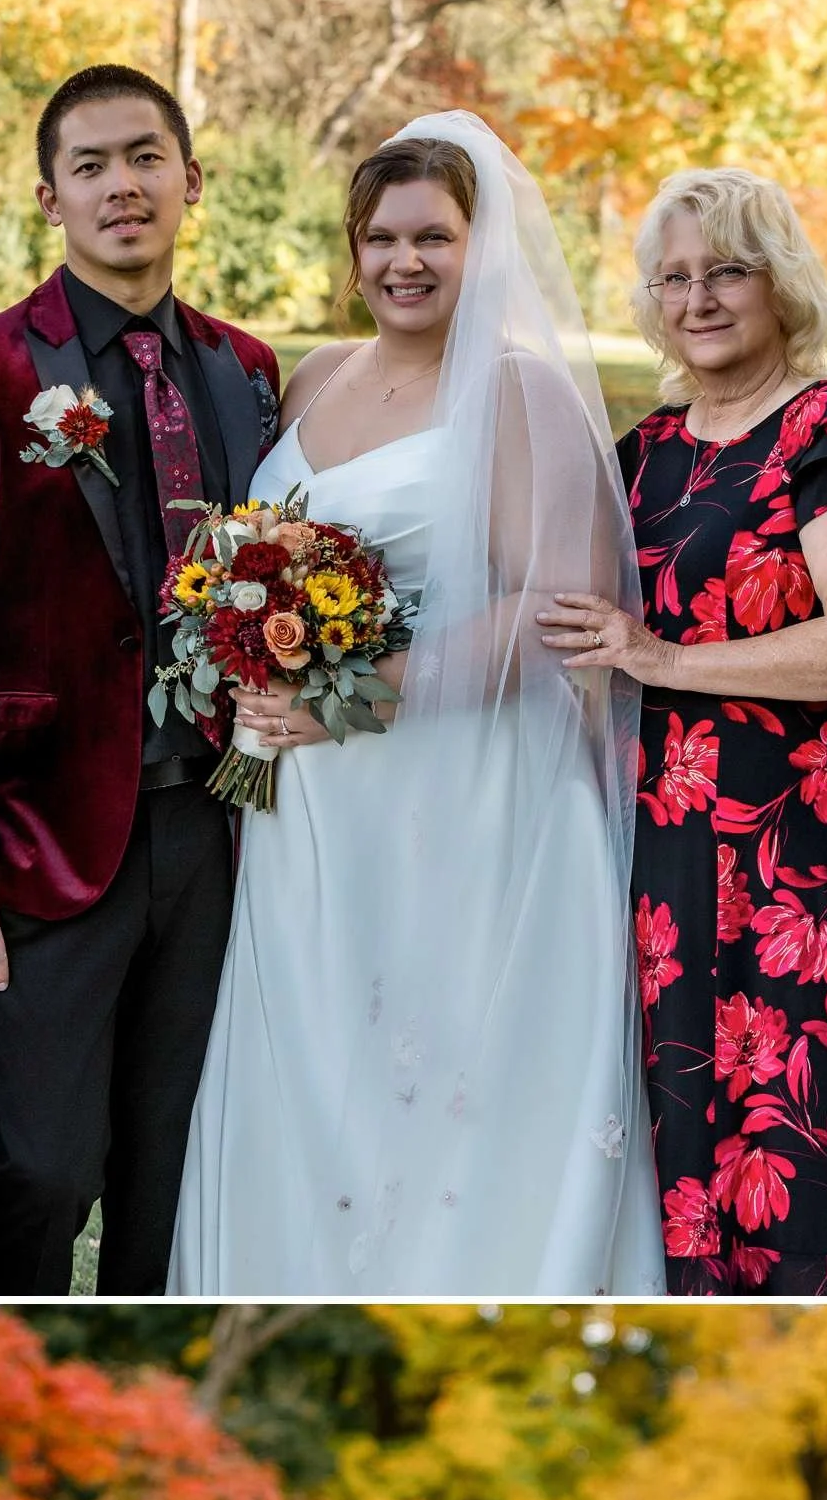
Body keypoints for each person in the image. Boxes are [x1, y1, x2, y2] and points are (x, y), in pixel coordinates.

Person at [171, 118, 657, 1299]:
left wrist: (362, 695)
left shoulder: (519, 395)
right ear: (351, 249)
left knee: (448, 1063)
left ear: (479, 246)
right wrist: (246, 650)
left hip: (463, 791)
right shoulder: (316, 376)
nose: (405, 260)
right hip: (311, 808)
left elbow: (559, 607)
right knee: (320, 1059)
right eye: (380, 236)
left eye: (433, 236)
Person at [0, 66, 281, 1291]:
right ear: (51, 196)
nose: (124, 186)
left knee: (172, 1168)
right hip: (44, 839)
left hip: (218, 831)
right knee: (43, 1169)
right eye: (94, 166)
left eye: (146, 157)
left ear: (190, 180)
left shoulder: (246, 370)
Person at [538, 169, 827, 1293]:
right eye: (674, 277)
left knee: (791, 1137)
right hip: (653, 844)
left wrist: (662, 662)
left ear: (780, 282)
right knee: (672, 1130)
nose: (698, 298)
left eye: (726, 272)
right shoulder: (640, 452)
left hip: (791, 851)